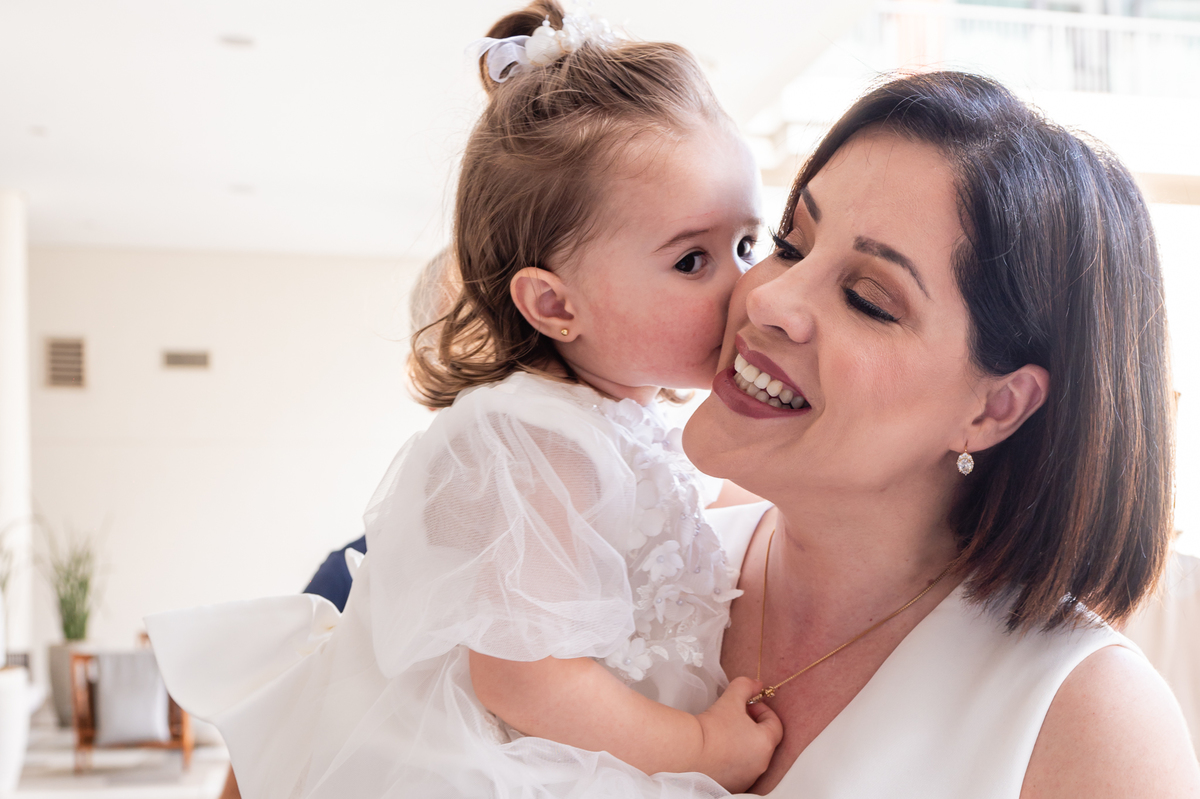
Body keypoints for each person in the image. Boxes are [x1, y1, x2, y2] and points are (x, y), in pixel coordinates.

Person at [146, 2, 781, 797]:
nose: (747, 285)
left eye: (748, 244)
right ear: (554, 305)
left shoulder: (627, 421)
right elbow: (528, 683)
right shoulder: (533, 435)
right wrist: (696, 744)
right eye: (693, 260)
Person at [682, 70, 1200, 796]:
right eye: (791, 243)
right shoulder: (629, 565)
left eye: (868, 299)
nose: (768, 297)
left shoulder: (1089, 724)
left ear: (996, 408)